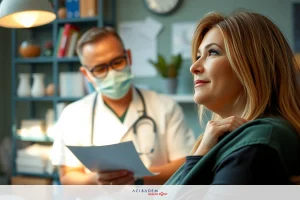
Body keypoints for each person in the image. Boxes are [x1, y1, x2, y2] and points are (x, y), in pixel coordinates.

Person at [165, 11, 300, 185]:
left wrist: (197, 159)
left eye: (212, 53)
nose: (194, 67)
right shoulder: (225, 138)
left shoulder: (258, 142)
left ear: (253, 64)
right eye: (198, 56)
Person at [51, 27, 195, 185]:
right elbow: (67, 177)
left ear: (129, 57)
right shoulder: (73, 114)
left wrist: (138, 179)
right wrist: (96, 181)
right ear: (87, 74)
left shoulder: (165, 107)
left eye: (117, 62)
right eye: (100, 68)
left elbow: (184, 165)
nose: (112, 73)